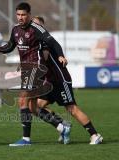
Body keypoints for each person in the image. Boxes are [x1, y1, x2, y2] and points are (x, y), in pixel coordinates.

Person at [0, 2, 71, 146]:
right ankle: (61, 127)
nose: (20, 17)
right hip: (27, 69)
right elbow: (10, 46)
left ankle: (26, 139)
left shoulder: (37, 28)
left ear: (29, 15)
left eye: (23, 15)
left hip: (36, 67)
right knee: (33, 107)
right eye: (18, 15)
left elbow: (53, 42)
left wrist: (61, 55)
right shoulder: (15, 30)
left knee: (22, 100)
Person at [29, 16, 103, 145]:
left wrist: (60, 56)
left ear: (42, 27)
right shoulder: (35, 42)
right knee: (34, 107)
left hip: (60, 80)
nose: (34, 28)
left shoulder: (45, 41)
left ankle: (94, 135)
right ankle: (63, 125)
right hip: (49, 82)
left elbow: (47, 55)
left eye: (37, 25)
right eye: (32, 25)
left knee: (72, 109)